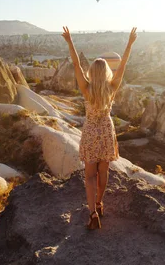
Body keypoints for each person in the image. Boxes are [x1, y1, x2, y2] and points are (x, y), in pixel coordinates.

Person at [61, 26, 137, 230]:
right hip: (106, 131)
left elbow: (76, 64)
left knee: (89, 176)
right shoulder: (112, 89)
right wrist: (129, 44)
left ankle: (93, 213)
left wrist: (70, 42)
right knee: (104, 172)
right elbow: (123, 68)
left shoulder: (86, 89)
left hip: (90, 132)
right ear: (106, 73)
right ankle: (99, 203)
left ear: (92, 73)